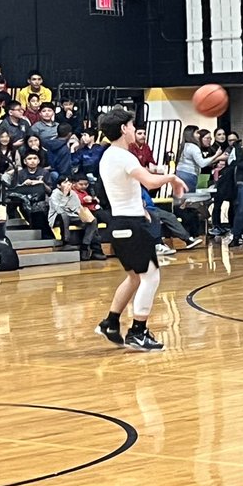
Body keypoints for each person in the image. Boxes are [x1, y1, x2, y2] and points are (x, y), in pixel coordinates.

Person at [93, 106, 189, 351]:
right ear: (124, 129)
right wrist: (172, 177)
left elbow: (127, 188)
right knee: (151, 276)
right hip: (130, 224)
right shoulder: (123, 156)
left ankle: (111, 322)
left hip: (121, 222)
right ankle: (138, 331)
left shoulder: (109, 155)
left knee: (135, 277)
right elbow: (149, 181)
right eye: (133, 126)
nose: (135, 130)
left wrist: (141, 209)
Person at [48, 176, 105, 261]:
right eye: (65, 182)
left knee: (92, 220)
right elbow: (59, 210)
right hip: (57, 218)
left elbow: (77, 208)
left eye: (69, 182)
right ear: (59, 186)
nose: (68, 184)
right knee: (64, 215)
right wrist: (64, 195)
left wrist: (84, 216)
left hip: (73, 216)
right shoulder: (54, 194)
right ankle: (65, 243)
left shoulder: (73, 194)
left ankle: (85, 246)